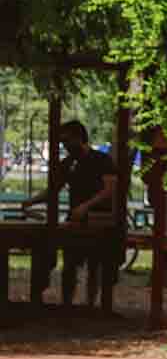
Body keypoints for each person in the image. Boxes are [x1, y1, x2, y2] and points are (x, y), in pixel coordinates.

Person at [24, 120, 124, 306]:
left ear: (79, 138)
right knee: (69, 264)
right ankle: (67, 305)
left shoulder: (102, 160)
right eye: (62, 142)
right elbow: (53, 190)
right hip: (75, 222)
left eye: (67, 141)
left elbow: (110, 189)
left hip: (99, 221)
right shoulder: (68, 163)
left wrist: (86, 206)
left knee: (95, 265)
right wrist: (30, 202)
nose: (65, 146)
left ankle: (91, 306)